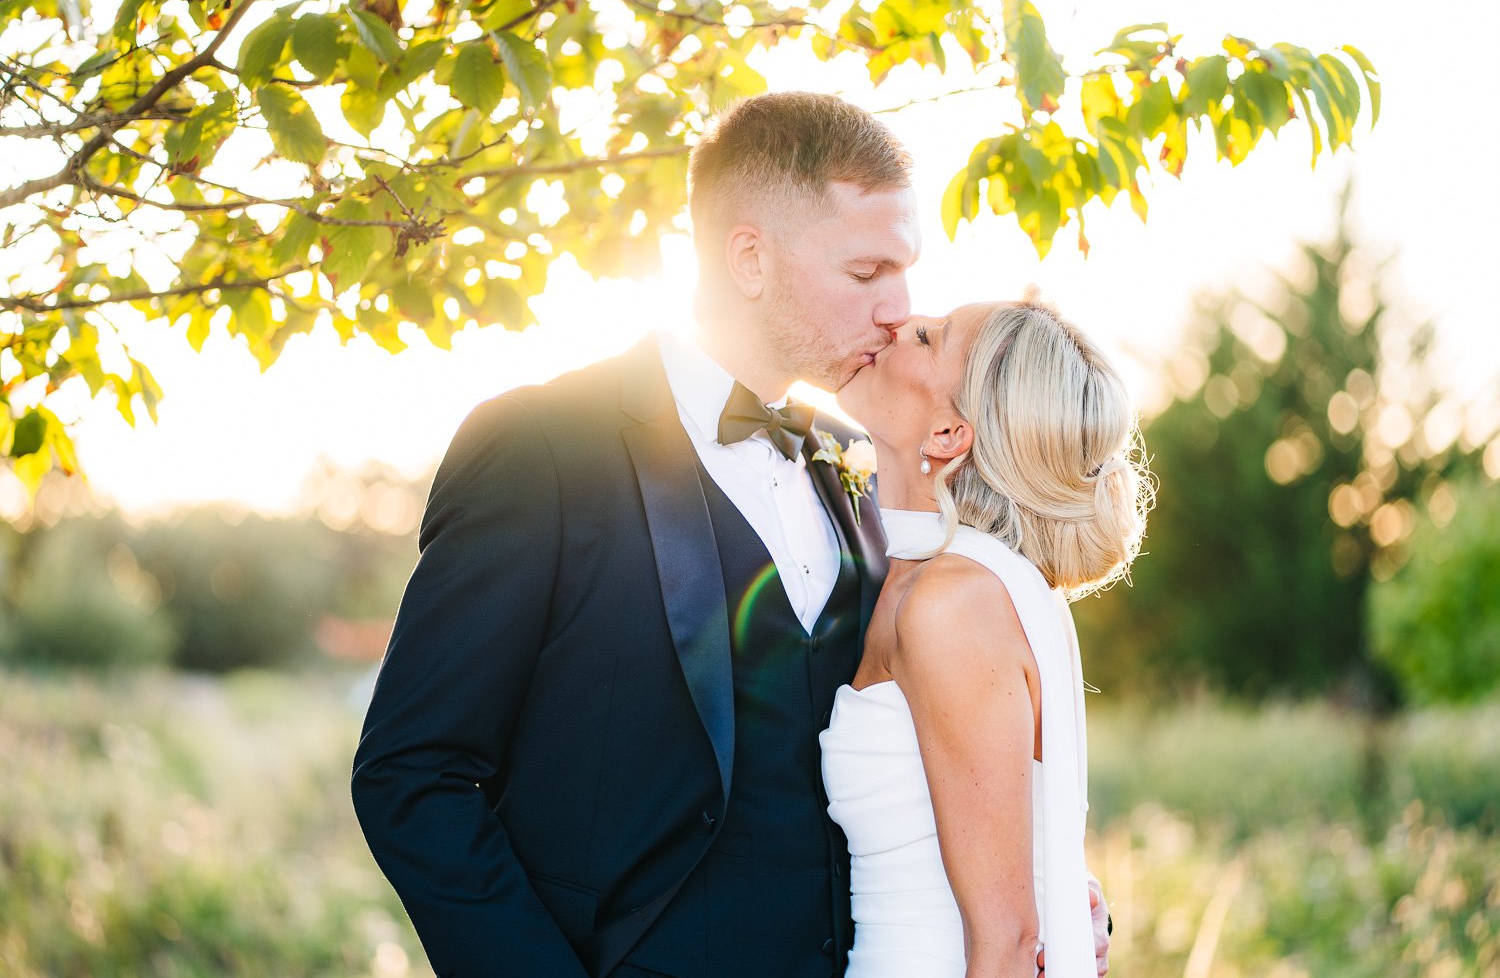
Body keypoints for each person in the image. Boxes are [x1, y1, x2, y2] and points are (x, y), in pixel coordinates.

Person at [352, 92, 1110, 978]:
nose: (897, 310)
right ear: (749, 257)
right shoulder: (540, 448)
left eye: (904, 272)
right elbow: (414, 773)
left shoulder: (868, 472)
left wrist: (1052, 887)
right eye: (867, 273)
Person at [822, 300, 1150, 977]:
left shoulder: (951, 605)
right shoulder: (946, 582)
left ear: (947, 433)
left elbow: (1004, 939)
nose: (896, 323)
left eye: (927, 336)